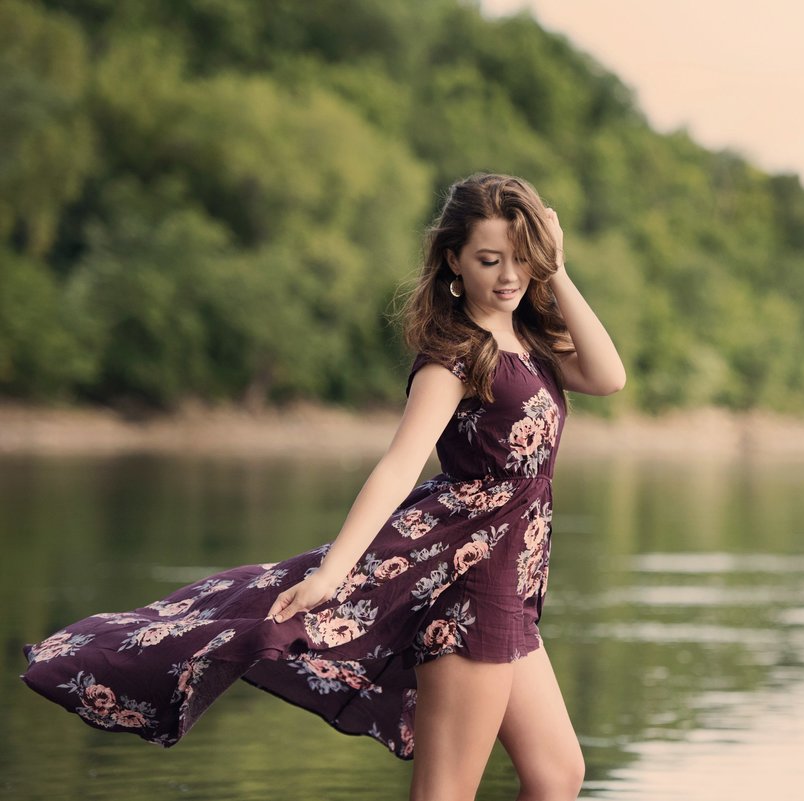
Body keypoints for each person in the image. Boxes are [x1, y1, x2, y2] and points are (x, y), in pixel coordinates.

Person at [20, 172, 626, 801]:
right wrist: (333, 573)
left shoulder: (527, 336)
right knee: (445, 793)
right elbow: (399, 466)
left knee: (557, 776)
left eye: (521, 260)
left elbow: (608, 376)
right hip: (469, 586)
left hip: (512, 582)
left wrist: (556, 269)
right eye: (489, 260)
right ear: (453, 260)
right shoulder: (454, 357)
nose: (507, 276)